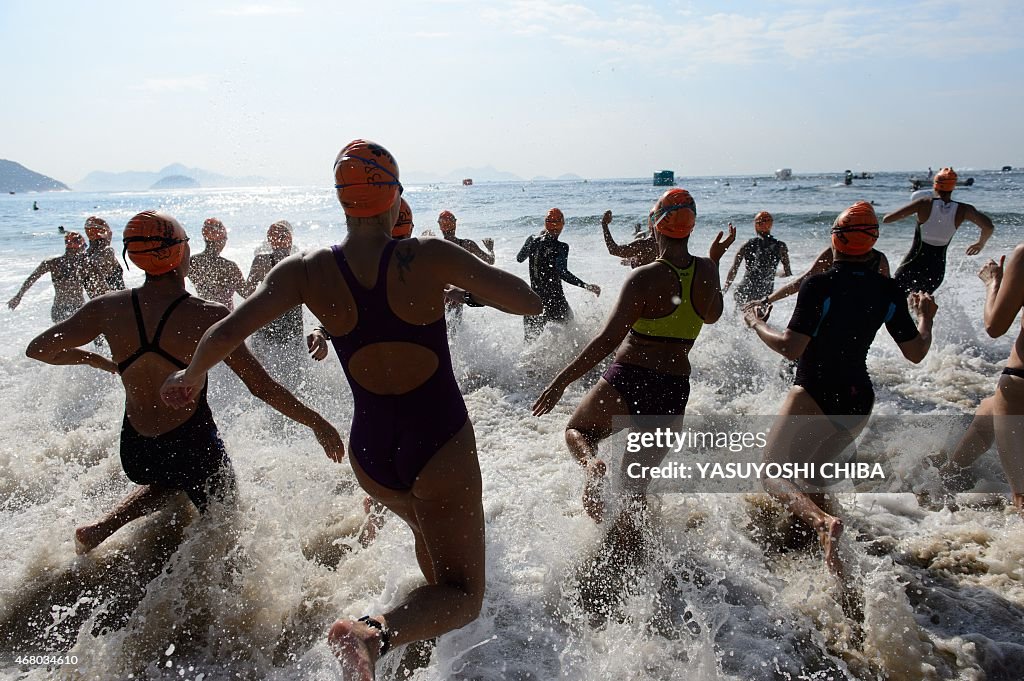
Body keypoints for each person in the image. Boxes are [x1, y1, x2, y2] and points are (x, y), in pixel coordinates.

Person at [159, 139, 541, 681]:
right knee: (464, 593)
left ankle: (414, 655)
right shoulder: (427, 256)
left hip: (370, 451)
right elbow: (526, 299)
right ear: (393, 197)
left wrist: (190, 373)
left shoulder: (307, 269)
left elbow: (229, 327)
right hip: (438, 440)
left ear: (344, 201)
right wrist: (465, 268)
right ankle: (371, 634)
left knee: (433, 557)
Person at [25, 210, 343, 555]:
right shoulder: (206, 315)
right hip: (190, 441)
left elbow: (38, 349)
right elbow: (261, 387)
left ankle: (98, 530)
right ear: (180, 253)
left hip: (135, 446)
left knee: (170, 482)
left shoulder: (108, 307)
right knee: (226, 520)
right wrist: (317, 422)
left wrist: (102, 362)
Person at [743, 201, 935, 583]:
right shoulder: (888, 289)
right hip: (858, 399)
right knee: (812, 476)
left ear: (835, 240)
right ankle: (837, 570)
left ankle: (820, 524)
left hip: (816, 388)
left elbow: (790, 347)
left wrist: (755, 323)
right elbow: (916, 353)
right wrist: (926, 317)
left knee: (772, 473)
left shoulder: (820, 284)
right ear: (873, 243)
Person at [533, 189, 735, 523]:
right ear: (691, 226)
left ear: (656, 226)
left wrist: (560, 382)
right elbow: (712, 315)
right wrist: (713, 261)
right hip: (673, 389)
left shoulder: (643, 277)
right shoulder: (708, 271)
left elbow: (605, 341)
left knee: (579, 433)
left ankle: (592, 466)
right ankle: (632, 558)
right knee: (634, 488)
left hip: (630, 377)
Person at [937, 245, 1024, 509]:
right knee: (987, 413)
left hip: (1020, 383)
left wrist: (992, 282)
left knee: (1021, 494)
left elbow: (995, 326)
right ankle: (945, 482)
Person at [883, 167, 995, 294]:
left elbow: (887, 219)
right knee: (922, 305)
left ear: (935, 186)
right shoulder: (964, 209)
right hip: (936, 270)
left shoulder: (924, 203)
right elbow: (989, 227)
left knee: (895, 300)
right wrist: (980, 243)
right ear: (953, 187)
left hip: (912, 265)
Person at [517, 208, 601, 341]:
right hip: (555, 300)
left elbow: (520, 258)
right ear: (562, 224)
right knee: (572, 335)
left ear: (545, 224)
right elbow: (563, 273)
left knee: (530, 342)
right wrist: (586, 285)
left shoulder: (532, 239)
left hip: (533, 300)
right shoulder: (561, 247)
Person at [243, 221, 306, 379]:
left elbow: (247, 292)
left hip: (267, 319)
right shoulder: (301, 261)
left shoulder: (260, 261)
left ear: (270, 241)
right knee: (296, 373)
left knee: (264, 373)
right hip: (293, 324)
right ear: (290, 240)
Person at [8, 231, 87, 322]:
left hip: (77, 308)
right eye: (71, 241)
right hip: (63, 309)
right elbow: (32, 278)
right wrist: (18, 296)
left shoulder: (84, 263)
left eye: (76, 241)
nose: (72, 243)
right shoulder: (52, 263)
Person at [723, 211, 792, 306]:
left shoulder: (747, 245)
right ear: (771, 224)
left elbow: (734, 269)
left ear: (756, 226)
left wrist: (725, 289)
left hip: (744, 290)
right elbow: (788, 273)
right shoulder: (781, 246)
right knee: (759, 318)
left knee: (737, 318)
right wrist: (773, 273)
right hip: (764, 294)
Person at [188, 218, 247, 310]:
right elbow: (247, 294)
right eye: (225, 238)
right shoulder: (229, 266)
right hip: (225, 316)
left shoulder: (192, 262)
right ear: (221, 240)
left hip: (202, 312)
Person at [82, 216, 126, 298]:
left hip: (97, 305)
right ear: (101, 232)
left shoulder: (85, 256)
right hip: (118, 304)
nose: (110, 233)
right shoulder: (107, 252)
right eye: (108, 230)